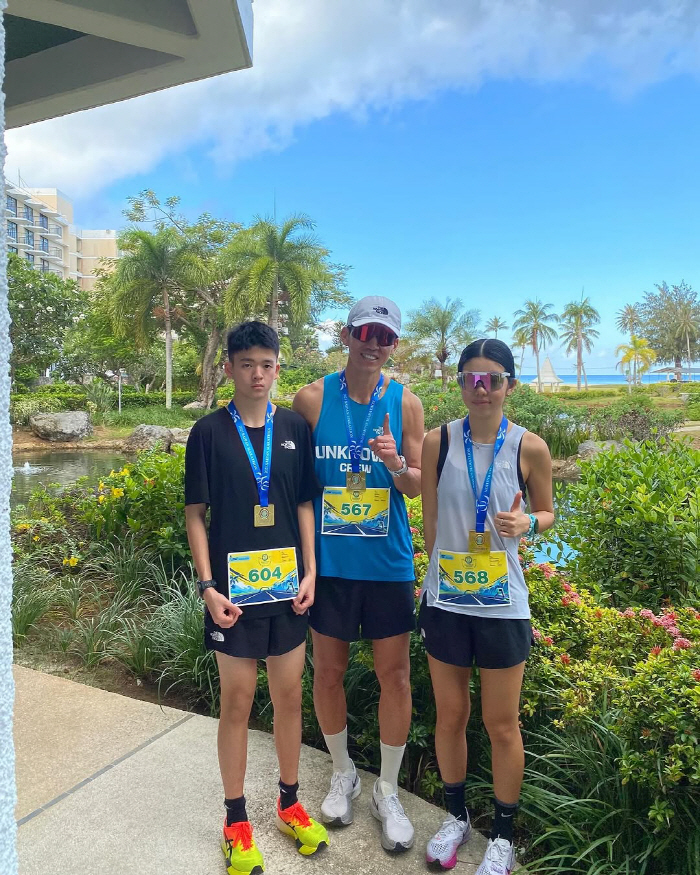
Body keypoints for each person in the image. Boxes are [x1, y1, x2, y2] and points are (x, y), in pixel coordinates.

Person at [185, 321, 329, 875]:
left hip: (288, 593)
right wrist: (207, 587)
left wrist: (311, 571)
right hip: (233, 598)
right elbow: (196, 515)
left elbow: (303, 505)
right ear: (229, 368)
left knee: (289, 697)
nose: (258, 375)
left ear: (277, 368)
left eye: (267, 365)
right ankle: (235, 821)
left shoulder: (293, 427)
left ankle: (289, 804)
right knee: (238, 702)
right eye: (247, 364)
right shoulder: (208, 432)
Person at [293, 295, 424, 852]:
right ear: (346, 335)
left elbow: (415, 485)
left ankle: (386, 789)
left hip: (387, 563)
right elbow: (296, 485)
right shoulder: (311, 399)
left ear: (394, 345)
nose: (374, 344)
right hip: (331, 566)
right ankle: (343, 772)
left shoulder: (406, 402)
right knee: (327, 672)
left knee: (396, 677)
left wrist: (395, 462)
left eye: (385, 336)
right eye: (366, 332)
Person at [419, 338, 554, 874]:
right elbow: (430, 522)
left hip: (502, 606)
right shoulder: (438, 442)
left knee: (501, 724)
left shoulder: (530, 447)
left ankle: (502, 836)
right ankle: (455, 818)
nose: (481, 389)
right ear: (460, 384)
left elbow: (547, 513)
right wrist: (436, 582)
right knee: (450, 716)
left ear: (509, 385)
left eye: (492, 379)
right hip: (447, 602)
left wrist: (528, 523)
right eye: (471, 379)